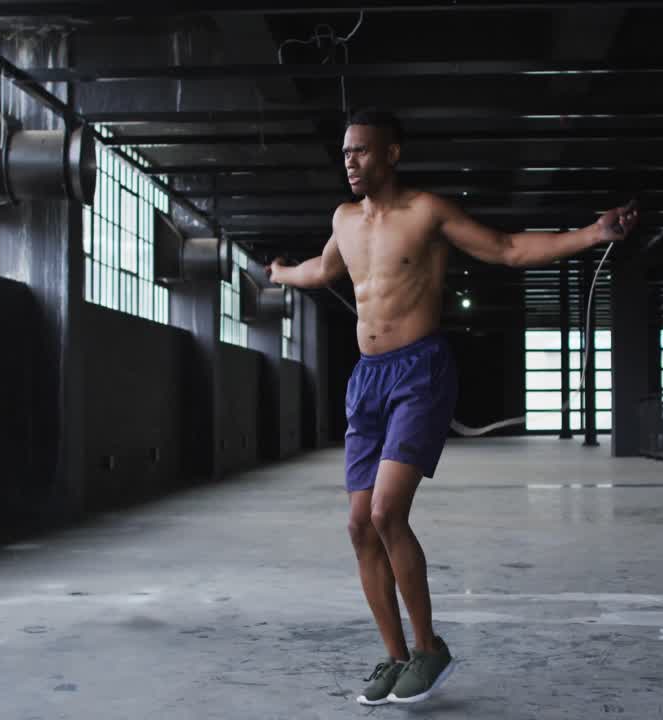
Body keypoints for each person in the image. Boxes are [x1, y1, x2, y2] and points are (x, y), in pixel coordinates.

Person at [265, 108, 638, 705]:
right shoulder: (344, 219)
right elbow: (323, 269)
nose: (351, 161)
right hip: (366, 379)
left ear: (392, 154)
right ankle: (395, 658)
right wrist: (283, 273)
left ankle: (429, 647)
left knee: (387, 512)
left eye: (362, 150)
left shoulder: (427, 212)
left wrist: (593, 234)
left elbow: (507, 248)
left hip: (420, 371)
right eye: (346, 152)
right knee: (359, 525)